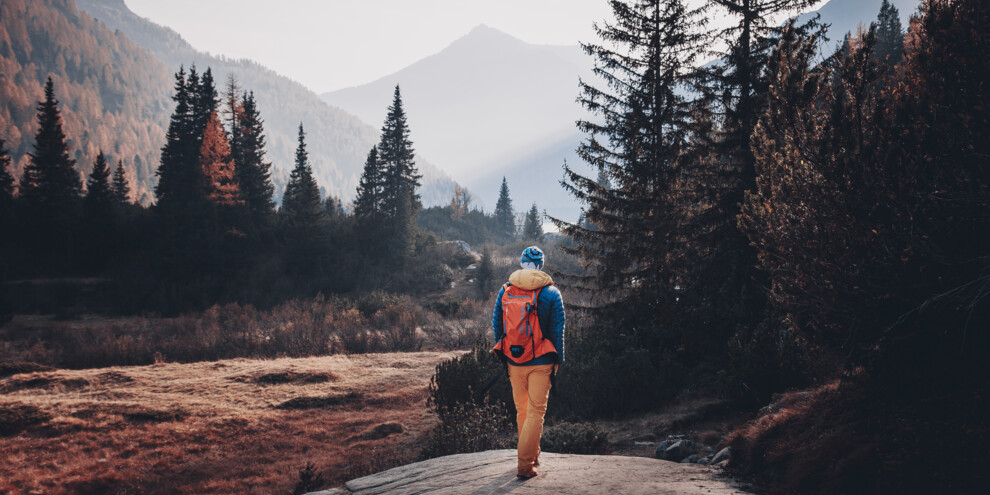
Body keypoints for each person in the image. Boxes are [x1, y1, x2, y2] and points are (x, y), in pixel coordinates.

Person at [492, 246, 565, 478]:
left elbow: (498, 327)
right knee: (536, 412)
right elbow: (557, 331)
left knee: (523, 410)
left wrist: (505, 356)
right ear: (540, 265)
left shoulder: (505, 291)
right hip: (541, 361)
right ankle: (525, 466)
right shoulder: (552, 293)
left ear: (522, 263)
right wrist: (558, 361)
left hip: (514, 360)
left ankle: (532, 455)